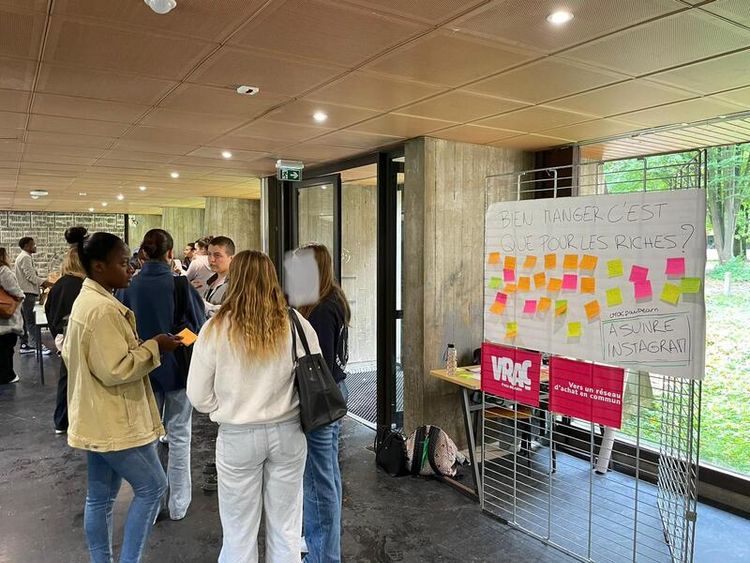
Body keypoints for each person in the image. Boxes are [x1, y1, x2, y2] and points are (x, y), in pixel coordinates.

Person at [187, 250, 320, 563]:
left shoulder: (216, 328)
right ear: (272, 278)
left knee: (238, 532)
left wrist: (225, 405)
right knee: (286, 528)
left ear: (235, 280)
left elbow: (197, 395)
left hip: (237, 437)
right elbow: (316, 370)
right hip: (288, 434)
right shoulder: (294, 322)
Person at [62, 231, 182, 563]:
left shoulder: (91, 302)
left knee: (100, 498)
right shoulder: (102, 310)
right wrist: (155, 346)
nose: (131, 268)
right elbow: (116, 369)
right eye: (122, 262)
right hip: (114, 418)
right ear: (99, 267)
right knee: (153, 487)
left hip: (98, 415)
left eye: (131, 260)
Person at [118, 228, 206, 521]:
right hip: (179, 371)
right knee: (180, 436)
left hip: (142, 373)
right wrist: (177, 344)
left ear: (143, 253)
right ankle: (179, 504)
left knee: (148, 440)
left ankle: (151, 505)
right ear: (170, 254)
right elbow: (197, 327)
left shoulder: (126, 288)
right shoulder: (180, 286)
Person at [296, 244, 351, 563]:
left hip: (320, 399)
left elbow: (321, 364)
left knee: (319, 482)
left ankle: (324, 556)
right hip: (330, 395)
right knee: (326, 476)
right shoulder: (328, 300)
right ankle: (322, 549)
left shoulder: (322, 308)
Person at [45, 227, 87, 434]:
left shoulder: (59, 285)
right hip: (76, 338)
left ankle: (61, 420)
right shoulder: (82, 286)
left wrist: (58, 337)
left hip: (63, 338)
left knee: (65, 379)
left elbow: (48, 310)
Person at [14, 236, 51, 355]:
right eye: (32, 244)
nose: (35, 246)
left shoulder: (24, 256)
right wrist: (45, 282)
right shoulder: (25, 257)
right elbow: (30, 276)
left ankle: (24, 345)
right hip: (27, 293)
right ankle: (37, 346)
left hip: (26, 292)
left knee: (25, 320)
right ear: (26, 246)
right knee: (30, 321)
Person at [0, 247, 25, 384]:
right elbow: (15, 291)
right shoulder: (3, 271)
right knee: (6, 347)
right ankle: (7, 375)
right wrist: (22, 296)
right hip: (5, 318)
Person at [204, 236, 235, 318]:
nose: (212, 259)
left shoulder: (235, 284)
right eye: (209, 254)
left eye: (217, 255)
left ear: (231, 258)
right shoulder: (211, 280)